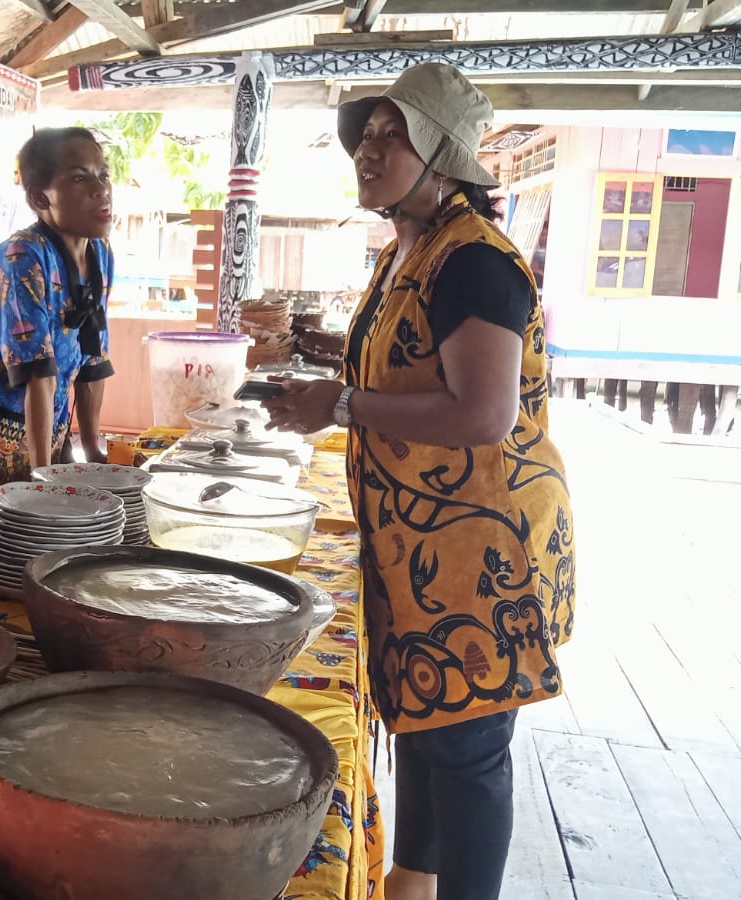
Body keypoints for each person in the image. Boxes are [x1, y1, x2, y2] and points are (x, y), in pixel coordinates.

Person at [263, 63, 576, 900]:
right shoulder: (414, 247)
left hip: (481, 550)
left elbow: (481, 414)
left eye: (390, 135)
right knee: (430, 729)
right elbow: (406, 365)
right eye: (365, 136)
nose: (369, 150)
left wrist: (339, 402)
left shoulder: (475, 262)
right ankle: (410, 884)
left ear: (441, 153)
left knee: (467, 753)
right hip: (421, 541)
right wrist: (325, 362)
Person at [0, 127, 115, 569]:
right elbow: (40, 376)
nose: (101, 188)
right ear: (39, 198)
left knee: (50, 572)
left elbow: (92, 361)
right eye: (79, 178)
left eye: (103, 174)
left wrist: (93, 454)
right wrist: (41, 479)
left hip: (43, 439)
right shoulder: (19, 257)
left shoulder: (101, 254)